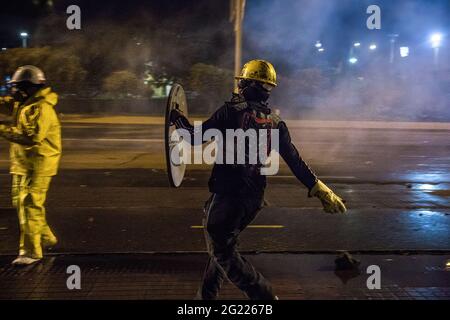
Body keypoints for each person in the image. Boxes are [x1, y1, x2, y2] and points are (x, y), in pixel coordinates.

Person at [171, 59, 347, 300]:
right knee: (223, 247)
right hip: (253, 201)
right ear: (268, 88)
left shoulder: (230, 111)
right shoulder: (275, 124)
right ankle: (205, 299)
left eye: (243, 82)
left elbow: (191, 137)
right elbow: (295, 161)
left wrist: (176, 117)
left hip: (228, 197)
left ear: (249, 84)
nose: (240, 87)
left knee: (221, 248)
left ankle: (263, 295)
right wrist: (320, 189)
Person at [0, 65, 61, 266]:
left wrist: (1, 129)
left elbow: (31, 137)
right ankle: (45, 238)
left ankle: (31, 251)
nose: (13, 91)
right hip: (22, 163)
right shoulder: (25, 103)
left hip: (38, 163)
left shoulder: (40, 108)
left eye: (17, 87)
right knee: (21, 203)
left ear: (27, 87)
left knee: (30, 205)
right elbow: (6, 103)